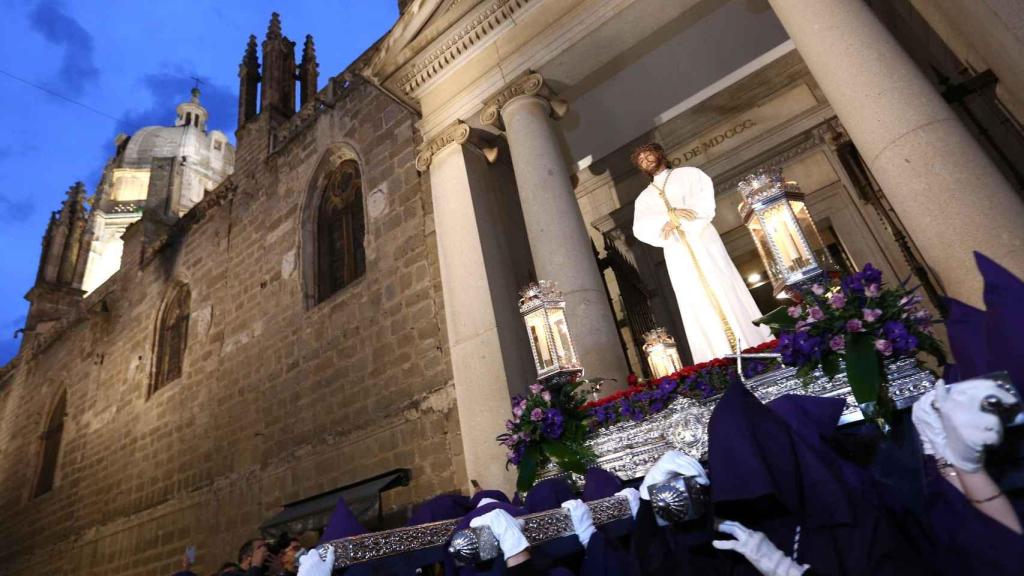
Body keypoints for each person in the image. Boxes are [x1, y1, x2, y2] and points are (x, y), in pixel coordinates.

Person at [630, 142, 771, 363]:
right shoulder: (644, 199)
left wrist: (679, 221)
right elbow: (640, 228)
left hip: (703, 240)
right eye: (641, 161)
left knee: (723, 285)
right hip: (676, 251)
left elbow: (704, 203)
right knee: (694, 300)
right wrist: (670, 218)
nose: (646, 161)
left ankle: (751, 346)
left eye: (648, 156)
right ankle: (716, 357)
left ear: (660, 154)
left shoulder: (689, 175)